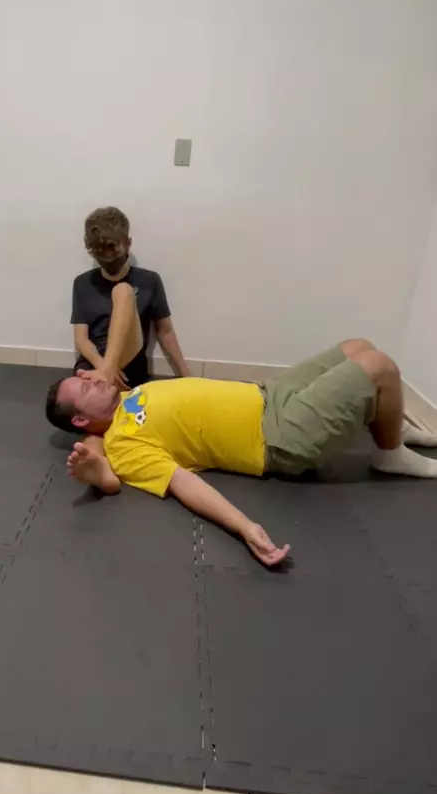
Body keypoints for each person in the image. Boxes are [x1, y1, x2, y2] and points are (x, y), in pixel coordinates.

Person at [46, 327, 437, 567]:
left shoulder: (129, 397)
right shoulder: (125, 443)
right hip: (279, 434)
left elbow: (96, 439)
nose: (93, 379)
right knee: (379, 365)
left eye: (86, 377)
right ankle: (389, 455)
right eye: (84, 388)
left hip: (270, 394)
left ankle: (390, 426)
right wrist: (245, 528)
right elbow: (183, 484)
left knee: (357, 345)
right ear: (80, 420)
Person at [71, 206, 189, 389]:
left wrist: (188, 377)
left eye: (114, 252)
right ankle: (104, 379)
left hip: (129, 363)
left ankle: (105, 379)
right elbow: (81, 339)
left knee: (123, 291)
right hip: (94, 364)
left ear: (127, 243)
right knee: (65, 396)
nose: (108, 259)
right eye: (101, 254)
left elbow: (165, 332)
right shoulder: (82, 283)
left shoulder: (149, 281)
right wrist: (104, 368)